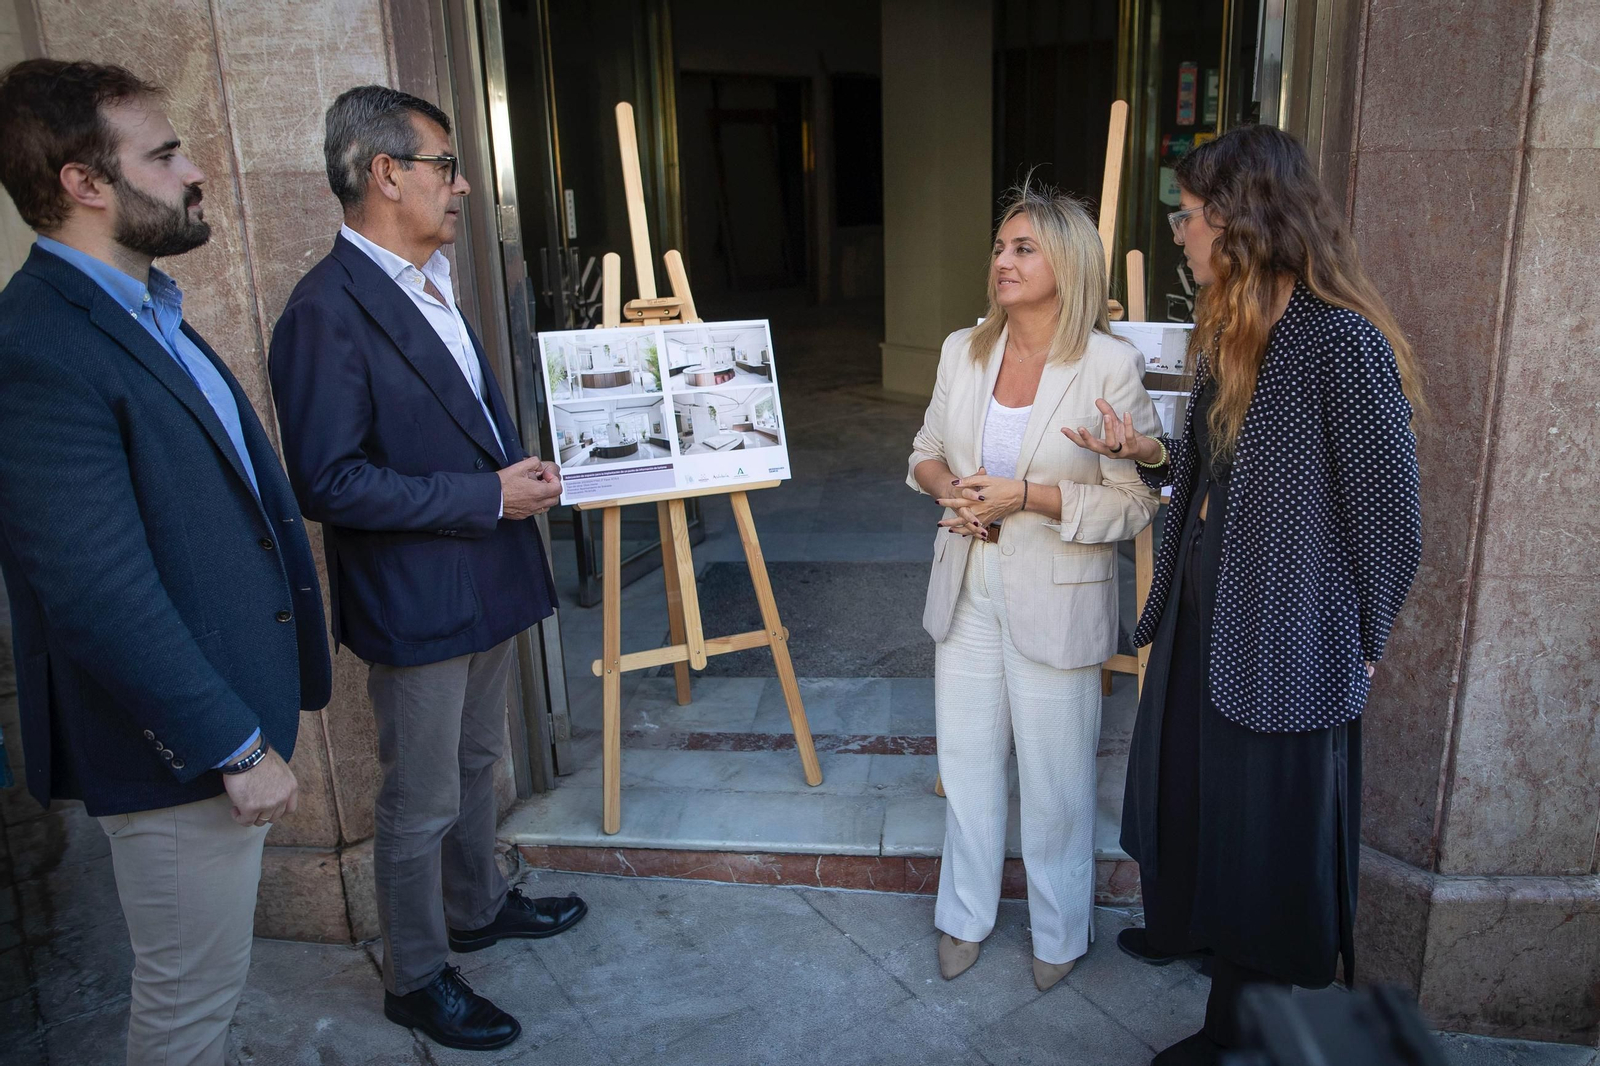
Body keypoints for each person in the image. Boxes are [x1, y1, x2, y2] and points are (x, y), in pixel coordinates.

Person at [0, 59, 332, 1065]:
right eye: (166, 152)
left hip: (226, 712)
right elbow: (94, 590)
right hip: (180, 749)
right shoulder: (39, 345)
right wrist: (231, 745)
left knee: (208, 995)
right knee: (186, 1014)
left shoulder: (148, 307)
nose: (195, 170)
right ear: (84, 183)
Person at [1069, 125, 1424, 1065]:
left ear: (1239, 221)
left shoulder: (1338, 344)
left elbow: (1390, 523)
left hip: (1285, 644)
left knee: (1262, 845)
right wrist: (1146, 452)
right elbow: (1210, 471)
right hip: (1207, 622)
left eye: (1188, 217)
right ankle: (1195, 939)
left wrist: (1361, 638)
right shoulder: (1232, 332)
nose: (1179, 234)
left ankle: (1242, 1037)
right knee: (1196, 809)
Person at [267, 85, 581, 1053]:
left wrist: (512, 481)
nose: (463, 186)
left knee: (482, 763)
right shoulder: (326, 309)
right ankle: (416, 974)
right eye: (445, 166)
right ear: (385, 173)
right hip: (417, 591)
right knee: (421, 796)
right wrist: (489, 496)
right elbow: (329, 480)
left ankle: (479, 904)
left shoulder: (433, 279)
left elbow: (455, 426)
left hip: (485, 577)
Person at [907, 184, 1162, 991]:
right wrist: (951, 489)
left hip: (1058, 590)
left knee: (1055, 780)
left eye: (1025, 248)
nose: (1004, 261)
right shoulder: (963, 350)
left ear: (1069, 262)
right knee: (970, 763)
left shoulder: (1110, 364)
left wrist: (1030, 497)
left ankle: (1059, 929)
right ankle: (965, 914)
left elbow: (1134, 500)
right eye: (999, 247)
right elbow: (921, 449)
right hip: (968, 582)